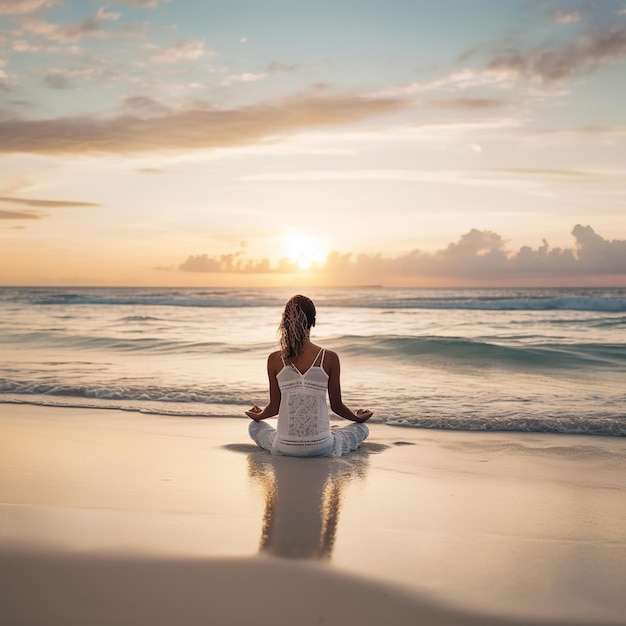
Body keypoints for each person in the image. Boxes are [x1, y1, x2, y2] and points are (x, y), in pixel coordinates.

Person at [246, 294, 372, 457]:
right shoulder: (329, 358)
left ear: (285, 322)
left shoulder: (274, 359)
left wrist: (258, 415)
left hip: (285, 447)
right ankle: (329, 433)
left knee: (254, 427)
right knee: (362, 429)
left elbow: (274, 407)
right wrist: (357, 418)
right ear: (313, 322)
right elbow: (337, 406)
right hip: (321, 447)